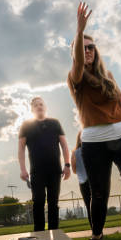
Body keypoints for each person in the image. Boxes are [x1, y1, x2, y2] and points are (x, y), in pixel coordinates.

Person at [67, 2, 121, 240]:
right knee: (99, 192)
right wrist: (80, 31)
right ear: (75, 54)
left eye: (91, 47)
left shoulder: (109, 76)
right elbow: (79, 64)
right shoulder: (75, 77)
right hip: (94, 142)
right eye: (82, 48)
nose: (88, 51)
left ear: (96, 50)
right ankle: (97, 232)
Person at [18, 97, 71, 231]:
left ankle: (55, 233)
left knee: (53, 203)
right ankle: (39, 234)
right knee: (39, 202)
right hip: (37, 171)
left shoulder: (55, 123)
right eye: (36, 105)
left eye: (41, 104)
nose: (39, 106)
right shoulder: (26, 125)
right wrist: (23, 169)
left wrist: (67, 164)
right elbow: (21, 149)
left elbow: (64, 146)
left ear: (45, 107)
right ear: (32, 109)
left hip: (55, 170)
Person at [71, 131, 91, 228]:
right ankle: (96, 231)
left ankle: (96, 231)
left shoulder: (75, 152)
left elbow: (74, 170)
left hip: (85, 181)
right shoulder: (75, 152)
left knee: (90, 206)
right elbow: (74, 170)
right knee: (93, 205)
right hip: (88, 181)